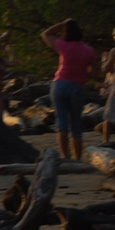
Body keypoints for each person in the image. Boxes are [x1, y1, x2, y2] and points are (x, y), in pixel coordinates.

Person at [41, 19, 97, 162]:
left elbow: (45, 34)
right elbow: (92, 72)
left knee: (62, 122)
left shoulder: (63, 46)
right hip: (77, 87)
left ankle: (65, 156)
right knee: (76, 124)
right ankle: (77, 158)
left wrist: (60, 24)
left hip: (60, 84)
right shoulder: (88, 50)